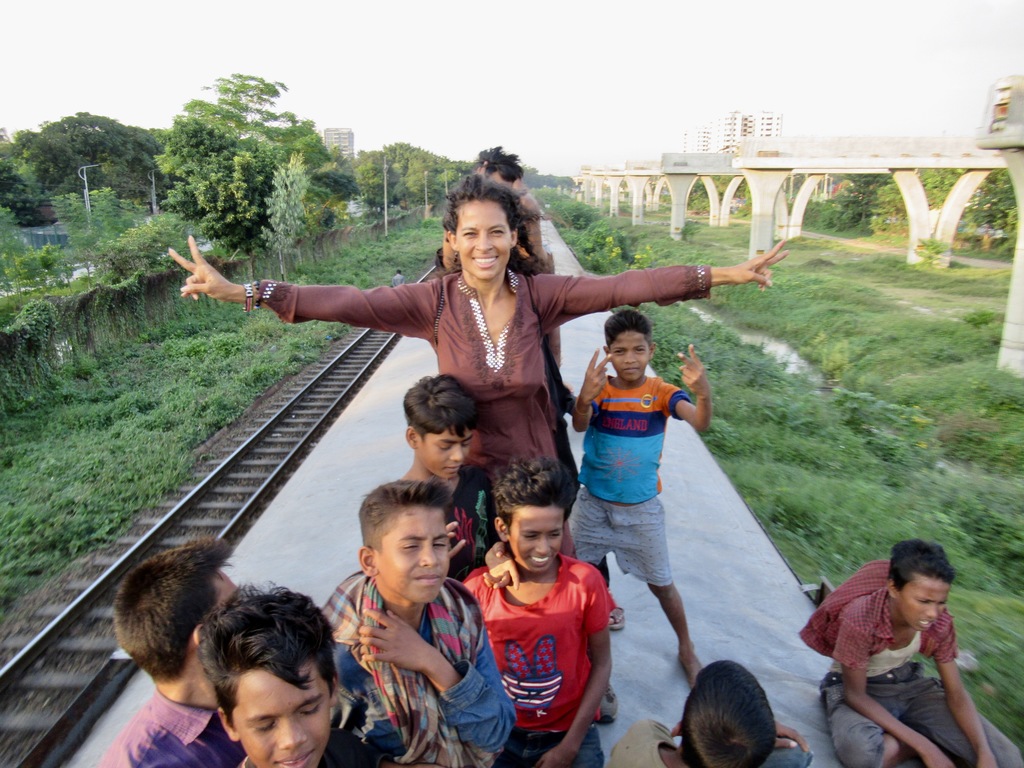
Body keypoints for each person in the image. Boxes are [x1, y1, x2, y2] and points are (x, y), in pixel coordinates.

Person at [170, 173, 786, 478]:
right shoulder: (431, 304)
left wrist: (728, 273)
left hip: (541, 472)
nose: (484, 244)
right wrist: (245, 290)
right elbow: (347, 300)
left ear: (514, 238)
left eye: (497, 231)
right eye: (471, 233)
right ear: (452, 242)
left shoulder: (542, 296)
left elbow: (630, 285)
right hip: (467, 477)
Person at [322, 479, 515, 767]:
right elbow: (326, 751)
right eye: (411, 546)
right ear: (369, 561)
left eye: (439, 544)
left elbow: (496, 733)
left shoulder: (462, 611)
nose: (431, 560)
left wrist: (432, 663)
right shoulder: (345, 650)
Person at [569, 309, 711, 685]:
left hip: (642, 511)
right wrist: (584, 398)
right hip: (593, 506)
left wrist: (703, 393)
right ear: (607, 352)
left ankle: (686, 647)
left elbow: (699, 421)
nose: (629, 359)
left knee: (662, 583)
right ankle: (573, 645)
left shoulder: (661, 393)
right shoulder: (602, 390)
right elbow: (580, 425)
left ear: (652, 350)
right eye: (620, 351)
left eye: (638, 350)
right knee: (568, 572)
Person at [799, 539, 1023, 768]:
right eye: (923, 601)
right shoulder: (861, 619)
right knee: (862, 755)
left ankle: (915, 735)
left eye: (940, 602)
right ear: (894, 588)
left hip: (908, 684)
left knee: (1007, 759)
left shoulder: (939, 622)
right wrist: (926, 748)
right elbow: (856, 695)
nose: (933, 612)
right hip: (856, 690)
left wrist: (984, 752)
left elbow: (955, 693)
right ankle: (918, 739)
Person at [464, 457, 612, 768]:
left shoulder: (586, 583)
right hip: (500, 732)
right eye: (531, 535)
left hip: (568, 730)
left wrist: (570, 746)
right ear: (503, 529)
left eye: (554, 533)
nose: (544, 548)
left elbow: (601, 663)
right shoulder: (478, 590)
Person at [197, 585, 395, 768]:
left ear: (332, 687)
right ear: (229, 723)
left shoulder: (345, 752)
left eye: (308, 710)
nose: (292, 740)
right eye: (266, 725)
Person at [101, 538, 245, 768]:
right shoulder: (150, 763)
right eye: (239, 607)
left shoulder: (254, 688)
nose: (257, 614)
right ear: (205, 639)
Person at [606, 660, 812, 768]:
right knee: (797, 755)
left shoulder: (645, 731)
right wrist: (760, 737)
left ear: (680, 726)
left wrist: (756, 730)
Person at [401, 373, 499, 581]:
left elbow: (494, 537)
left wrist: (499, 555)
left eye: (465, 443)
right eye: (445, 446)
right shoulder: (397, 505)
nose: (458, 456)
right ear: (413, 438)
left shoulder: (477, 481)